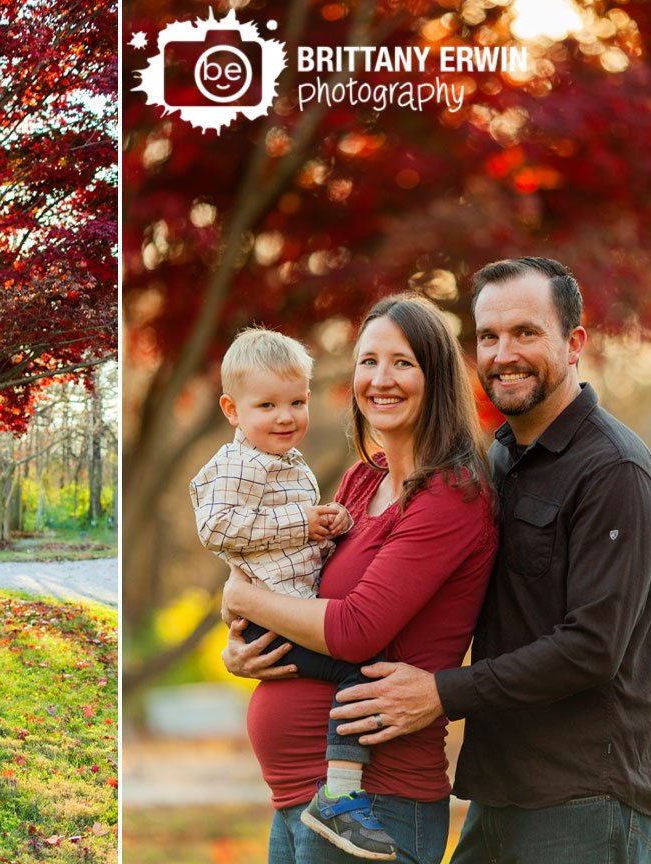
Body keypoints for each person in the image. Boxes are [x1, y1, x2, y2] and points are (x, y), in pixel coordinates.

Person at [329, 257, 651, 862]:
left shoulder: (613, 470)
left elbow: (593, 646)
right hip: (501, 791)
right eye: (488, 336)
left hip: (586, 798)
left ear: (574, 344)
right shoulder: (498, 462)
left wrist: (441, 693)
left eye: (526, 333)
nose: (502, 353)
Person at [222, 294, 498, 864]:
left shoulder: (451, 496)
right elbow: (297, 590)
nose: (381, 379)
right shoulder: (358, 481)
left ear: (437, 377)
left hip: (378, 804)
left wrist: (240, 595)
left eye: (402, 362)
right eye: (368, 361)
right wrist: (242, 643)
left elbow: (353, 630)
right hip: (302, 798)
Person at [190, 326, 395, 860]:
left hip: (284, 605)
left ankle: (340, 790)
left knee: (360, 663)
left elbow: (297, 547)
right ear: (232, 409)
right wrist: (302, 522)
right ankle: (343, 795)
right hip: (275, 614)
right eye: (267, 405)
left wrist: (333, 522)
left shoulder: (288, 462)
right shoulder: (237, 464)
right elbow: (218, 530)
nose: (286, 417)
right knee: (363, 667)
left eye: (297, 402)